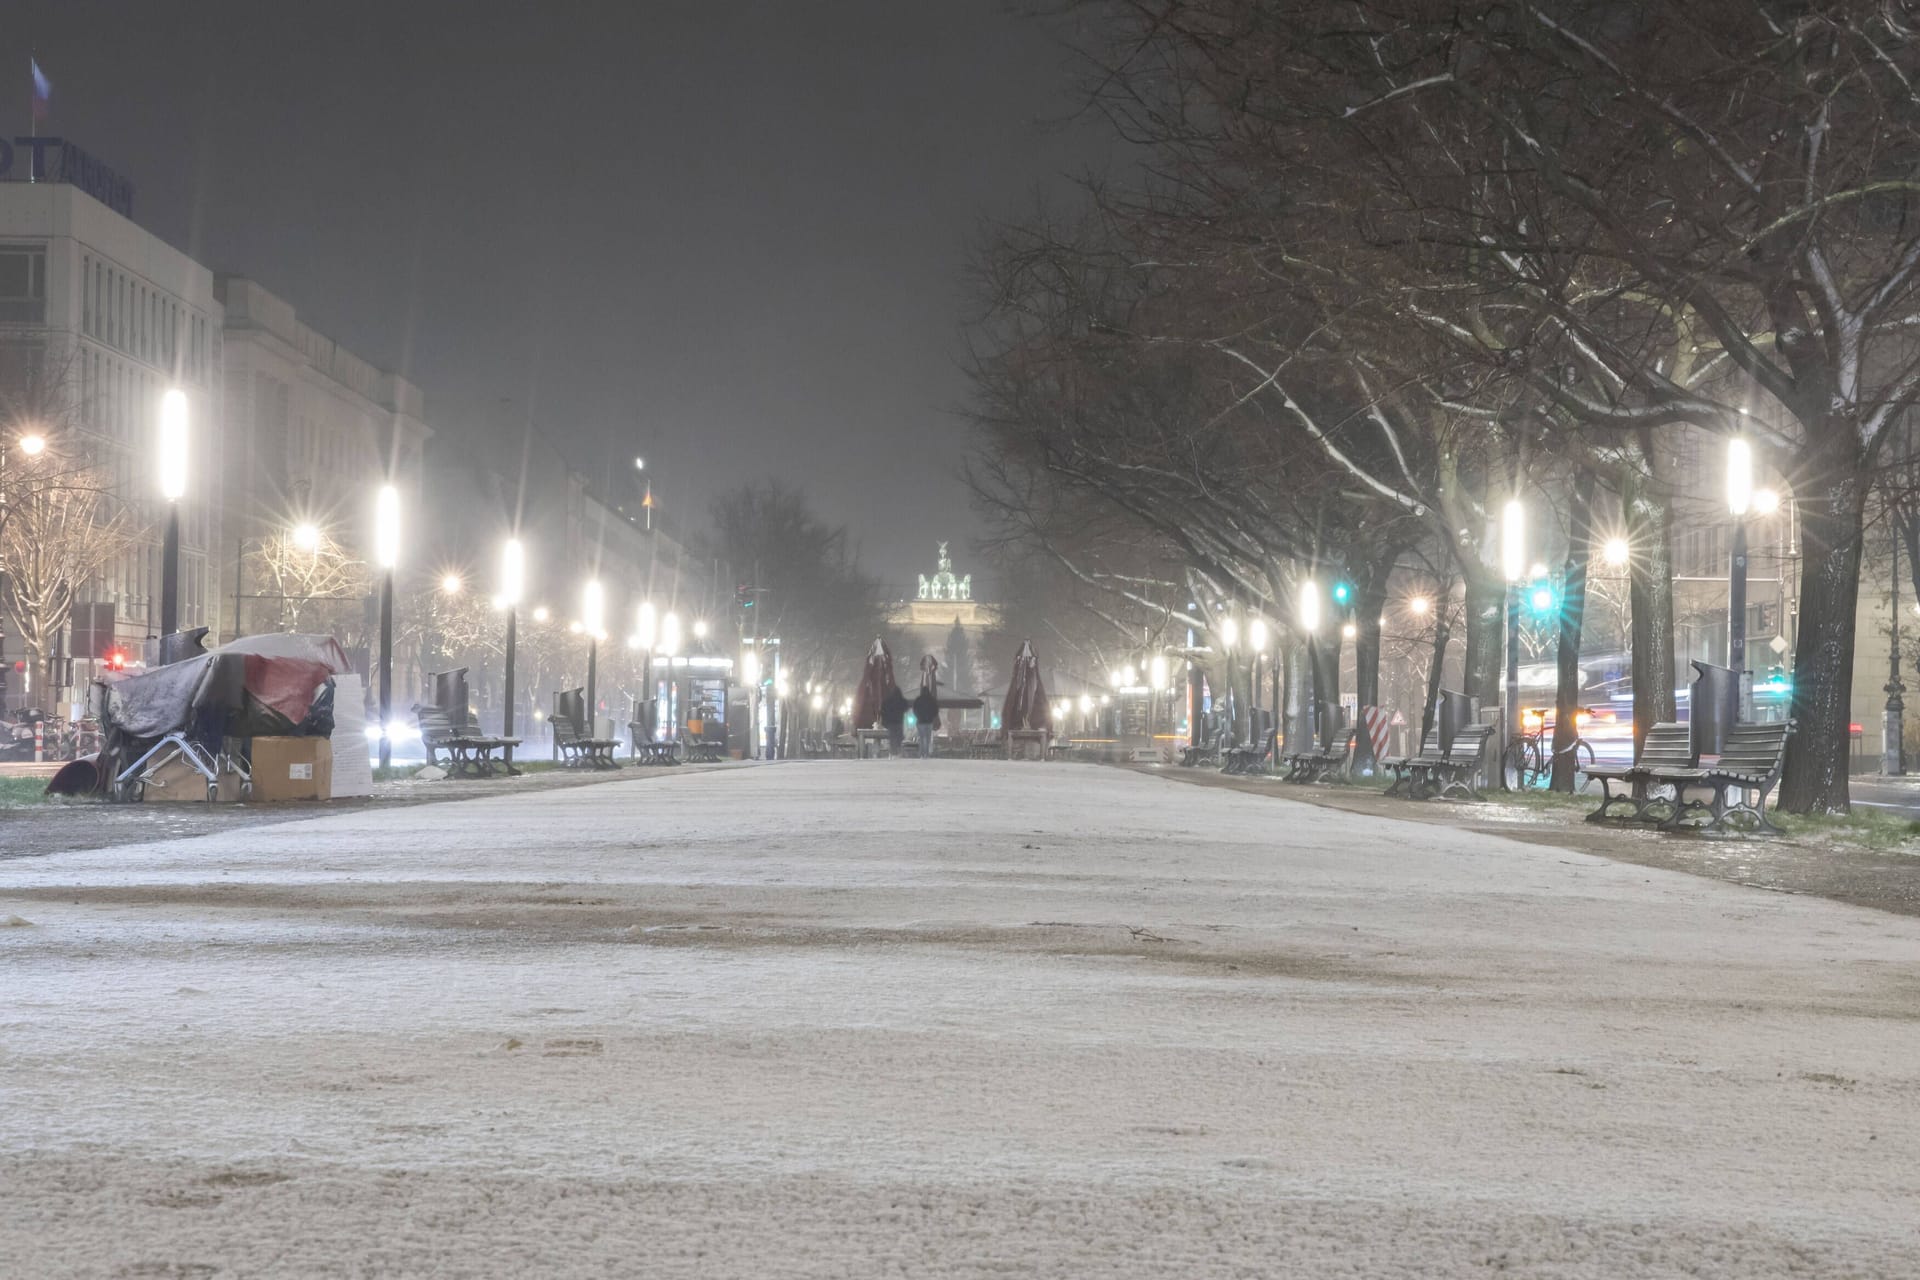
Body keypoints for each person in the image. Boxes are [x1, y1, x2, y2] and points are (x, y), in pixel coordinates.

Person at [911, 684, 940, 759]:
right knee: (927, 738)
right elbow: (936, 710)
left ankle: (921, 754)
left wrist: (918, 716)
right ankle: (926, 754)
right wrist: (931, 717)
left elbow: (914, 709)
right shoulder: (932, 700)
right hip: (929, 722)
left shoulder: (918, 700)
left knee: (921, 738)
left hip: (920, 722)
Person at [880, 683, 910, 755]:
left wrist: (884, 720)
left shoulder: (888, 701)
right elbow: (906, 707)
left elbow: (883, 710)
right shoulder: (901, 700)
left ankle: (893, 751)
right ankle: (898, 750)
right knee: (899, 736)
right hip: (899, 721)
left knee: (892, 736)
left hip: (891, 722)